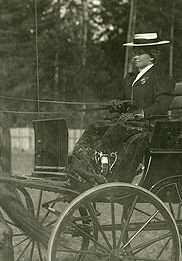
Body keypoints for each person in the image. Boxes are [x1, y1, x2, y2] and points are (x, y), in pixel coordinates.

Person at [68, 32, 175, 188]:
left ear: (152, 55)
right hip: (131, 123)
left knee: (118, 128)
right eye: (134, 53)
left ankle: (102, 165)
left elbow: (162, 105)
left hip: (151, 125)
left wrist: (139, 113)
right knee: (95, 126)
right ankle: (79, 163)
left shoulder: (161, 77)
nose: (135, 57)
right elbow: (124, 100)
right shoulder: (131, 78)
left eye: (139, 53)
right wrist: (117, 103)